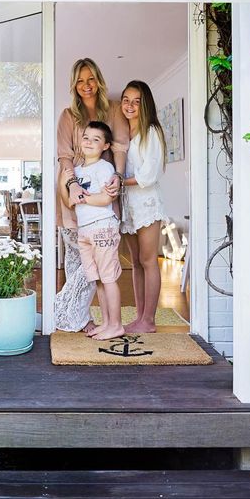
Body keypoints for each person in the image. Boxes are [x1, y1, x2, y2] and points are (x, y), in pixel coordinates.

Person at [55, 58, 129, 333]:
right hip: (72, 186)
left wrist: (118, 178)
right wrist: (72, 184)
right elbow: (64, 155)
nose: (86, 86)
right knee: (77, 259)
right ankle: (79, 317)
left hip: (103, 191)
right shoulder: (67, 115)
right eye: (80, 80)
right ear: (74, 84)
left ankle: (68, 312)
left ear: (98, 80)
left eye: (90, 79)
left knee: (103, 264)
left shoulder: (113, 111)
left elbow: (120, 148)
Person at [63, 121, 124, 340]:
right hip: (85, 230)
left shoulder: (104, 168)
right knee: (97, 278)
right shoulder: (77, 171)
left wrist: (83, 196)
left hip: (103, 227)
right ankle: (107, 322)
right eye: (86, 137)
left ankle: (116, 325)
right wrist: (75, 192)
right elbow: (69, 198)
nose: (89, 142)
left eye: (96, 139)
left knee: (108, 278)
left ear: (106, 146)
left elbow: (107, 198)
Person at [120, 80, 168, 333]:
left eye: (136, 101)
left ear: (145, 104)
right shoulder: (122, 132)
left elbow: (148, 175)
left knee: (149, 261)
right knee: (136, 262)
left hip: (146, 203)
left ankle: (148, 320)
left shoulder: (151, 131)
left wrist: (118, 182)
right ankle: (140, 317)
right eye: (126, 100)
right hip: (128, 205)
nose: (129, 105)